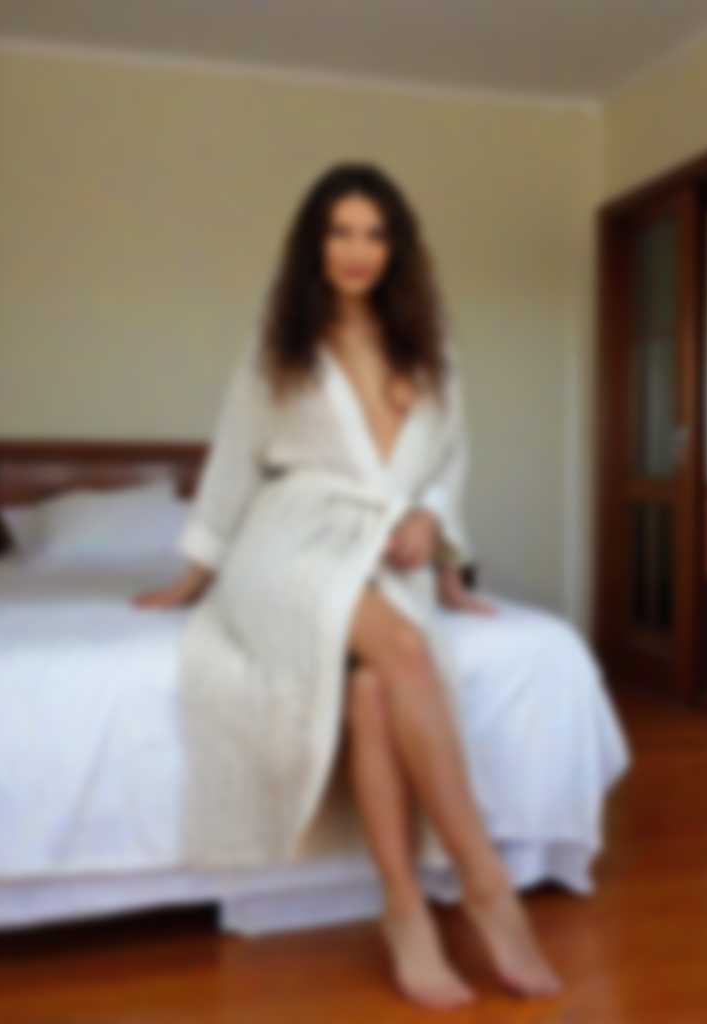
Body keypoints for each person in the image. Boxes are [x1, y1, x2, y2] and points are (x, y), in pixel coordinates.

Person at [133, 162, 563, 1009]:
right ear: (314, 244)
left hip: (383, 554)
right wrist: (192, 578)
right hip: (288, 546)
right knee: (404, 649)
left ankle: (405, 910)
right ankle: (487, 885)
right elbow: (232, 464)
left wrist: (435, 532)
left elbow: (449, 463)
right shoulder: (279, 348)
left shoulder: (431, 351)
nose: (357, 250)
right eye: (340, 232)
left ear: (397, 248)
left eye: (375, 233)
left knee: (374, 691)